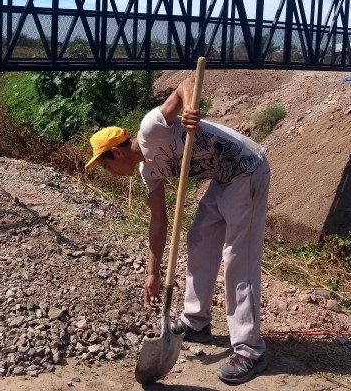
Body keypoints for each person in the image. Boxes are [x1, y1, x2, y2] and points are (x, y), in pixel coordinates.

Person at [85, 74, 271, 384]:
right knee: (198, 239)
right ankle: (196, 321)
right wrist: (153, 271)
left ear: (116, 152)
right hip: (223, 178)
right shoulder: (148, 171)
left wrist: (189, 107)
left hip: (247, 167)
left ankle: (250, 349)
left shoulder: (151, 128)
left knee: (239, 257)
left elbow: (187, 81)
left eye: (107, 166)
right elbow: (159, 220)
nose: (111, 173)